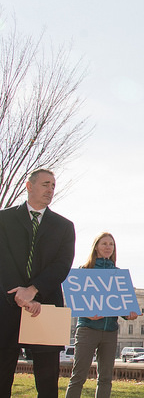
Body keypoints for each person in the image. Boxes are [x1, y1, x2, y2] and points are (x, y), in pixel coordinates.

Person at [0, 168, 75, 398]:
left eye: (53, 185)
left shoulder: (64, 226)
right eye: (45, 184)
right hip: (6, 306)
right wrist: (19, 294)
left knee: (47, 381)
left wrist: (34, 291)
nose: (50, 190)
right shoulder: (3, 219)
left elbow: (62, 265)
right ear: (29, 186)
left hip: (46, 307)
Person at [65, 232, 140, 398]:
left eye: (111, 244)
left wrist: (129, 315)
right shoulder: (84, 271)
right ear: (96, 247)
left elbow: (121, 304)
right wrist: (87, 313)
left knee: (105, 378)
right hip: (87, 329)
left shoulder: (118, 274)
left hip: (110, 331)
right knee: (78, 376)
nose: (108, 247)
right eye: (104, 243)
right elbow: (74, 301)